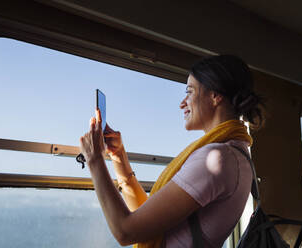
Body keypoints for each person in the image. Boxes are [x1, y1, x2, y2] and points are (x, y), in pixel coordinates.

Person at [79, 55, 265, 248]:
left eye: (190, 92)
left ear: (215, 95)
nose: (182, 103)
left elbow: (126, 231)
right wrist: (119, 158)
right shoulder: (236, 152)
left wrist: (94, 160)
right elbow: (147, 219)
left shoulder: (216, 159)